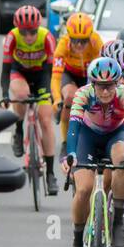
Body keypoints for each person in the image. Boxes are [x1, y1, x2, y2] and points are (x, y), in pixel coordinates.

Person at [61, 57, 124, 247]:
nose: (105, 93)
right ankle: (76, 244)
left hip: (115, 136)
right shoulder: (82, 94)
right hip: (88, 137)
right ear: (92, 84)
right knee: (84, 189)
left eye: (110, 86)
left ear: (118, 83)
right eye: (101, 87)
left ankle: (117, 226)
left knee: (122, 162)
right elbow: (73, 128)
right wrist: (72, 154)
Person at [1, 4, 58, 193]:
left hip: (41, 75)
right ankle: (18, 130)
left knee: (46, 120)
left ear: (38, 28)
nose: (28, 37)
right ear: (18, 29)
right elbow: (6, 70)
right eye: (24, 32)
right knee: (21, 95)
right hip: (20, 72)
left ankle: (50, 174)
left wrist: (49, 93)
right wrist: (4, 95)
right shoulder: (12, 37)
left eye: (32, 32)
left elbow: (51, 70)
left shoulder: (47, 37)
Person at [51, 12, 104, 149]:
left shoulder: (96, 42)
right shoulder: (63, 44)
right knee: (70, 97)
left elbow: (104, 71)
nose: (79, 45)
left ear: (90, 36)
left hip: (90, 75)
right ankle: (65, 142)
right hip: (71, 75)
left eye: (84, 41)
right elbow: (56, 76)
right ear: (69, 37)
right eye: (75, 40)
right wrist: (57, 99)